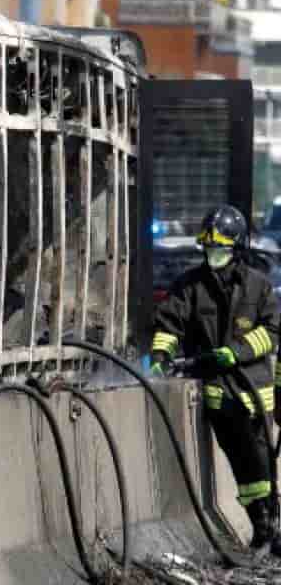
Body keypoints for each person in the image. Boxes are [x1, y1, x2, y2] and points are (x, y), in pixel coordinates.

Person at [152, 204, 281, 555]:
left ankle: (270, 523)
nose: (214, 256)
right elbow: (168, 324)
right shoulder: (191, 286)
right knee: (240, 459)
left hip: (254, 389)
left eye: (220, 249)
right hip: (218, 391)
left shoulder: (257, 286)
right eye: (209, 249)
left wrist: (235, 352)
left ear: (236, 249)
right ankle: (262, 524)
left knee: (260, 458)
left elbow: (271, 332)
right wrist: (161, 356)